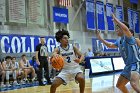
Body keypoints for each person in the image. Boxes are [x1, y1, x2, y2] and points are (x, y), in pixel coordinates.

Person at [96, 14, 140, 93]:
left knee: (133, 83)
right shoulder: (119, 40)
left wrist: (116, 20)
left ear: (122, 29)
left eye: (117, 28)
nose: (116, 30)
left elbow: (126, 29)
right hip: (127, 66)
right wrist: (100, 38)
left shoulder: (129, 38)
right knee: (119, 85)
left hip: (135, 64)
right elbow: (109, 45)